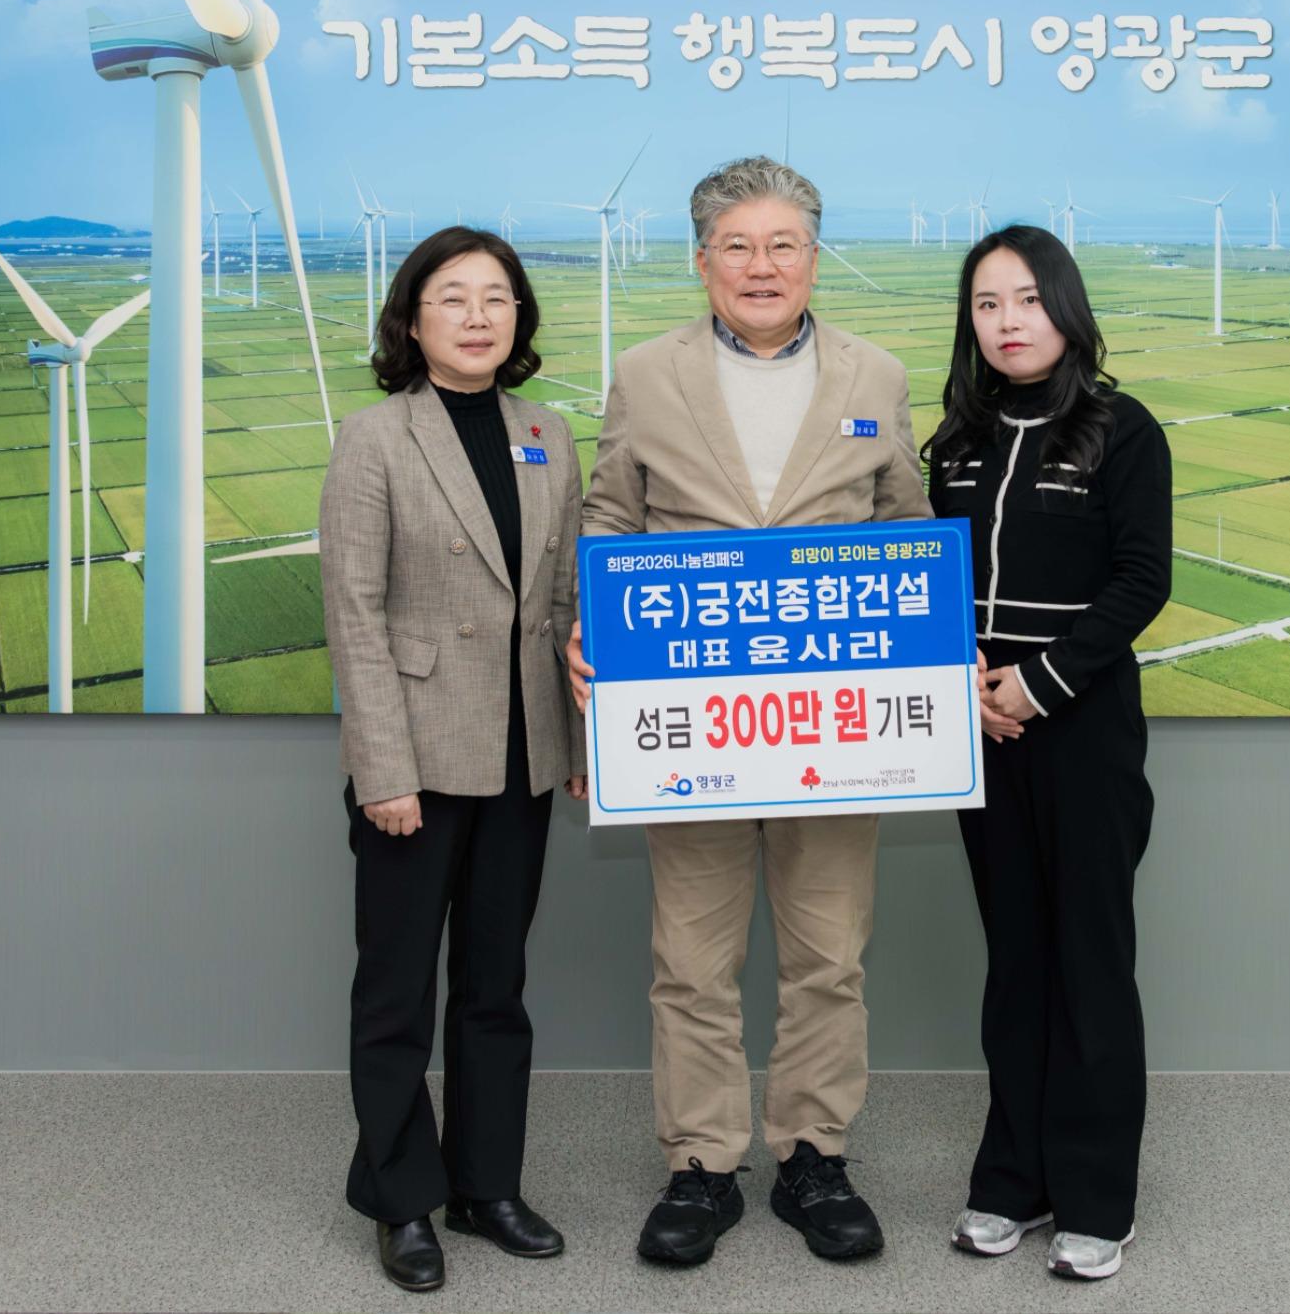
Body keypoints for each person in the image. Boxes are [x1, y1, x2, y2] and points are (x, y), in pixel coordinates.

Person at [567, 155, 929, 1266]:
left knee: (828, 956)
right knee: (692, 960)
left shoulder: (876, 374)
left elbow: (906, 531)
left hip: (832, 725)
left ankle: (813, 1154)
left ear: (814, 257)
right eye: (737, 246)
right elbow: (608, 520)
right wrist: (590, 629)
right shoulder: (644, 373)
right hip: (693, 725)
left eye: (782, 245)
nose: (760, 265)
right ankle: (702, 1164)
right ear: (701, 261)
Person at [319, 226, 586, 1295]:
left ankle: (486, 1186)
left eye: (496, 298)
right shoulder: (375, 438)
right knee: (396, 994)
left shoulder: (548, 433)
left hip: (523, 754)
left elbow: (562, 602)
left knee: (495, 985)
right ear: (412, 318)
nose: (478, 316)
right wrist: (381, 768)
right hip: (418, 760)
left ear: (519, 318)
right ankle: (401, 1199)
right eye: (453, 297)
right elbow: (354, 613)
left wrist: (579, 743)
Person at [924, 225, 1171, 1281]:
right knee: (1015, 959)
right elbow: (928, 580)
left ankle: (1096, 1196)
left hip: (1082, 731)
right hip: (982, 734)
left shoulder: (1120, 428)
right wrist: (967, 683)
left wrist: (1039, 681)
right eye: (986, 304)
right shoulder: (956, 441)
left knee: (1088, 962)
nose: (1007, 321)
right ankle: (1012, 1179)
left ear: (1064, 307)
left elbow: (1140, 578)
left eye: (1026, 299)